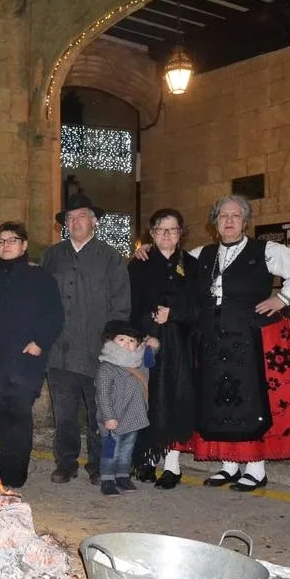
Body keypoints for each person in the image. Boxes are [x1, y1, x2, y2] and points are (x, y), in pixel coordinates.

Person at [139, 195, 290, 491]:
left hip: (249, 339)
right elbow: (168, 258)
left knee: (250, 402)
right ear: (215, 222)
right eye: (223, 216)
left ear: (245, 221)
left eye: (236, 216)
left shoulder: (265, 251)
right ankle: (230, 465)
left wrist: (283, 298)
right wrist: (147, 249)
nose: (229, 221)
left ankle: (256, 469)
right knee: (220, 401)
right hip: (213, 341)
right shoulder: (201, 255)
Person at [0, 221, 64, 489]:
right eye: (2, 241)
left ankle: (14, 474)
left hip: (25, 360)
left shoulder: (40, 278)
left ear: (24, 245)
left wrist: (39, 343)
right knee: (2, 415)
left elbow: (53, 315)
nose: (6, 245)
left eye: (12, 240)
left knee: (19, 416)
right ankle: (6, 470)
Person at [42, 192, 131, 485]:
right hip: (60, 351)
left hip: (97, 350)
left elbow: (121, 304)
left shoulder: (111, 257)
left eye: (81, 216)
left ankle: (97, 465)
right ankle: (65, 463)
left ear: (94, 221)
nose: (75, 221)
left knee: (99, 413)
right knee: (64, 414)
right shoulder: (52, 256)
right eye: (70, 218)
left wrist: (113, 346)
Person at [127, 209, 198, 489]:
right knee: (147, 400)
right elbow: (129, 305)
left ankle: (172, 463)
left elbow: (199, 306)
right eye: (160, 230)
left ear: (181, 233)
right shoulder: (138, 265)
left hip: (180, 345)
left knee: (175, 399)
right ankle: (146, 459)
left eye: (172, 229)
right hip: (147, 342)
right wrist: (144, 332)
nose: (166, 235)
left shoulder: (192, 265)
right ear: (151, 234)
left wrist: (175, 313)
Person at [95, 321, 157, 496]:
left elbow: (149, 357)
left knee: (126, 451)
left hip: (133, 418)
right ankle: (107, 480)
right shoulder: (107, 367)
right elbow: (103, 395)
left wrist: (152, 346)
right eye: (121, 339)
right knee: (110, 452)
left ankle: (122, 476)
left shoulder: (137, 365)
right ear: (111, 341)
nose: (127, 343)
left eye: (132, 341)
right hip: (112, 421)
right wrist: (108, 417)